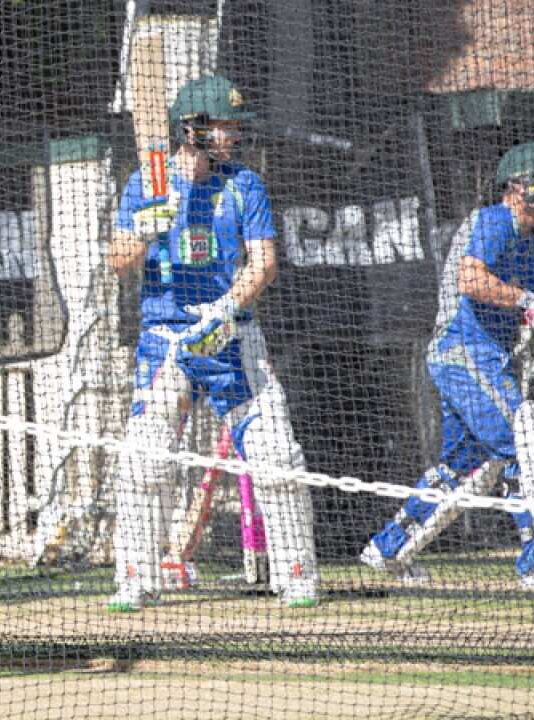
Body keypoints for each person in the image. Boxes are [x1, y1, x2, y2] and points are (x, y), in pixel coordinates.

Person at [106, 76, 319, 611]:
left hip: (228, 334)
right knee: (145, 458)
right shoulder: (148, 179)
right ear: (192, 129)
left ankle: (296, 574)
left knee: (275, 452)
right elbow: (115, 261)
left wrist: (227, 307)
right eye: (224, 126)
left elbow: (264, 262)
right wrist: (143, 233)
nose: (234, 135)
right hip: (166, 339)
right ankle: (135, 577)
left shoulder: (244, 183)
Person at [360, 142, 534, 590]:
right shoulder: (496, 221)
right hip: (464, 352)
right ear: (519, 186)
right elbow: (471, 280)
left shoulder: (529, 242)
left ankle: (389, 548)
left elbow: (524, 314)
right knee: (529, 444)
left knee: (467, 468)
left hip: (482, 355)